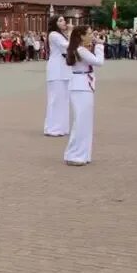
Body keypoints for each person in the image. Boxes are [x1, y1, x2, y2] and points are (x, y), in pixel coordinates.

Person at [63, 27, 104, 166]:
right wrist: (99, 46)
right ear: (81, 36)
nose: (92, 35)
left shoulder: (79, 49)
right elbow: (99, 62)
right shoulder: (81, 50)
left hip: (82, 85)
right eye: (89, 33)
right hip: (81, 86)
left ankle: (82, 153)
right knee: (81, 121)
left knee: (84, 121)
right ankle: (75, 154)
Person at [43, 15, 71, 137]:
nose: (64, 22)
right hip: (55, 70)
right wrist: (70, 32)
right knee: (55, 99)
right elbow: (67, 45)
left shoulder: (61, 35)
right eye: (60, 20)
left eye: (63, 19)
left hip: (64, 69)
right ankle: (52, 127)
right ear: (54, 23)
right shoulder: (53, 35)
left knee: (64, 99)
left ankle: (62, 126)